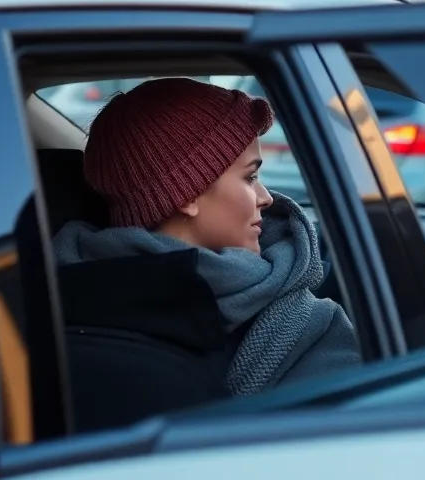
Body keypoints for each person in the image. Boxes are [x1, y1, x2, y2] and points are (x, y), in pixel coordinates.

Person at [52, 77, 361, 403]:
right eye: (250, 176)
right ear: (187, 193)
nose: (266, 197)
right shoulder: (312, 331)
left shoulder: (49, 297)